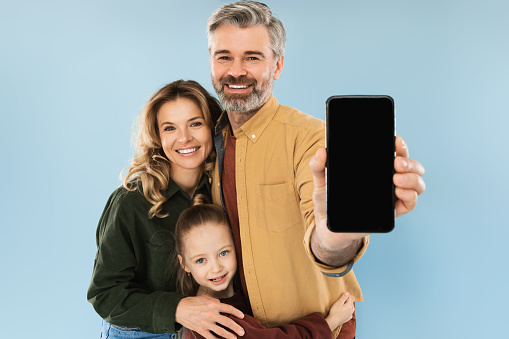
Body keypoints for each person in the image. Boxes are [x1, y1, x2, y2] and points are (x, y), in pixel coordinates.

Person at [201, 1, 427, 339]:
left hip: (319, 331)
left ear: (276, 66)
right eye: (224, 57)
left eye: (252, 57)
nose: (236, 71)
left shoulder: (311, 140)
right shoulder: (209, 138)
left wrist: (336, 234)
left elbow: (326, 245)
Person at [87, 80, 245, 339]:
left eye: (195, 123)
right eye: (170, 128)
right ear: (158, 137)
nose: (184, 138)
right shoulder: (130, 202)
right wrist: (177, 308)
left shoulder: (226, 188)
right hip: (141, 333)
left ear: (213, 126)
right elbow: (104, 294)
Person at [172, 202, 356, 339]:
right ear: (185, 264)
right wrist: (331, 321)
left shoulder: (237, 293)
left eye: (223, 253)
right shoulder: (213, 318)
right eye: (201, 260)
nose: (216, 267)